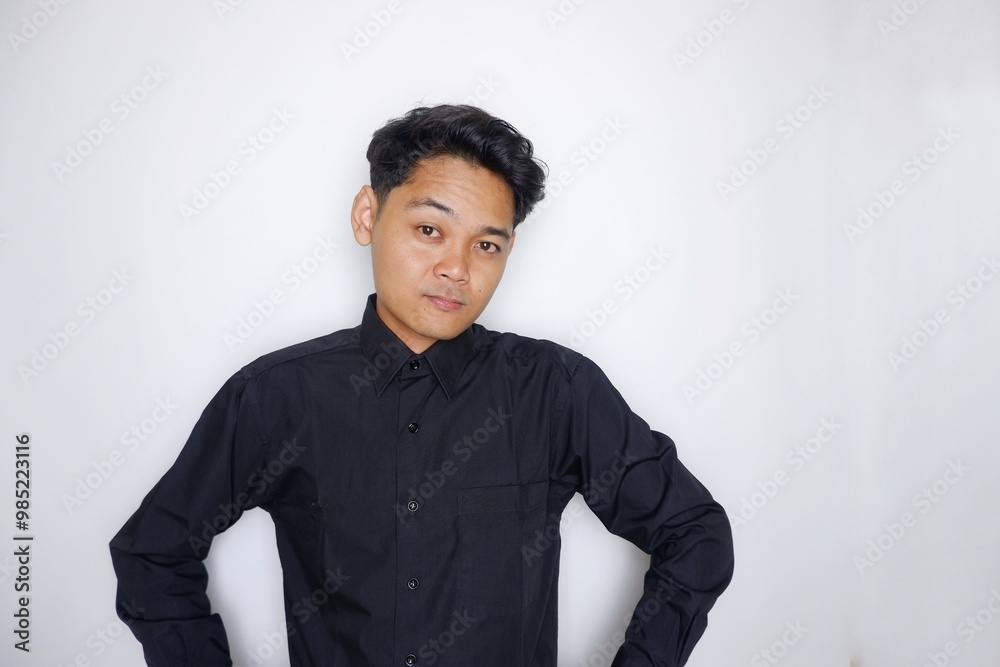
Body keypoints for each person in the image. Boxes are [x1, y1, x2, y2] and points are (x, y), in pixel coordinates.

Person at [109, 104, 734, 667]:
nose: (456, 269)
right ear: (367, 215)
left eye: (487, 244)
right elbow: (153, 552)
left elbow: (695, 534)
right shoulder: (277, 397)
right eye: (430, 230)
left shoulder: (555, 391)